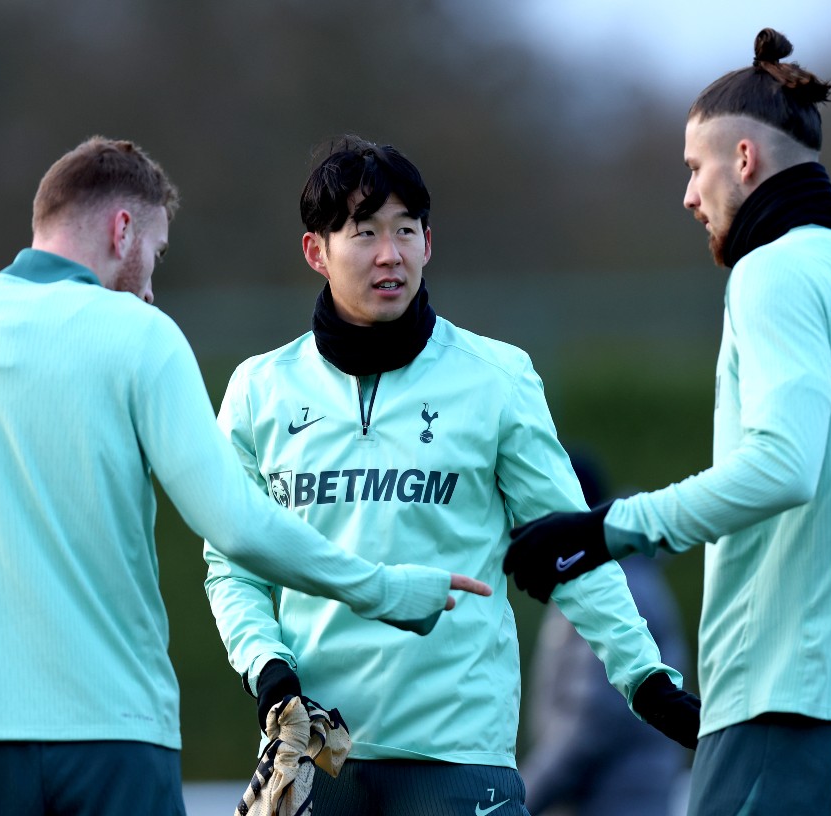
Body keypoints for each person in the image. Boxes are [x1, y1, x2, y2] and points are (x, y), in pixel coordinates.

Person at [0, 136, 491, 816]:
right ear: (122, 231)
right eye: (156, 252)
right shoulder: (141, 336)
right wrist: (387, 588)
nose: (149, 286)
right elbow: (237, 523)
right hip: (119, 743)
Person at [505, 29, 831, 816]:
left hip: (792, 698)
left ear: (743, 159)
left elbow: (784, 463)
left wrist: (608, 528)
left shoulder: (771, 269)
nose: (688, 196)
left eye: (693, 168)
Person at [203, 135, 700, 816]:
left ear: (428, 243)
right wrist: (266, 667)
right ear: (316, 251)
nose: (390, 254)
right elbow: (233, 564)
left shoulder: (497, 378)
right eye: (365, 232)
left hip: (457, 760)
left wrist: (646, 679)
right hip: (317, 756)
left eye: (406, 231)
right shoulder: (259, 389)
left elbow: (570, 548)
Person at [521, 450, 689, 816]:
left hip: (621, 800)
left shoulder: (614, 589)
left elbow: (590, 721)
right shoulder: (599, 577)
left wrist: (520, 799)